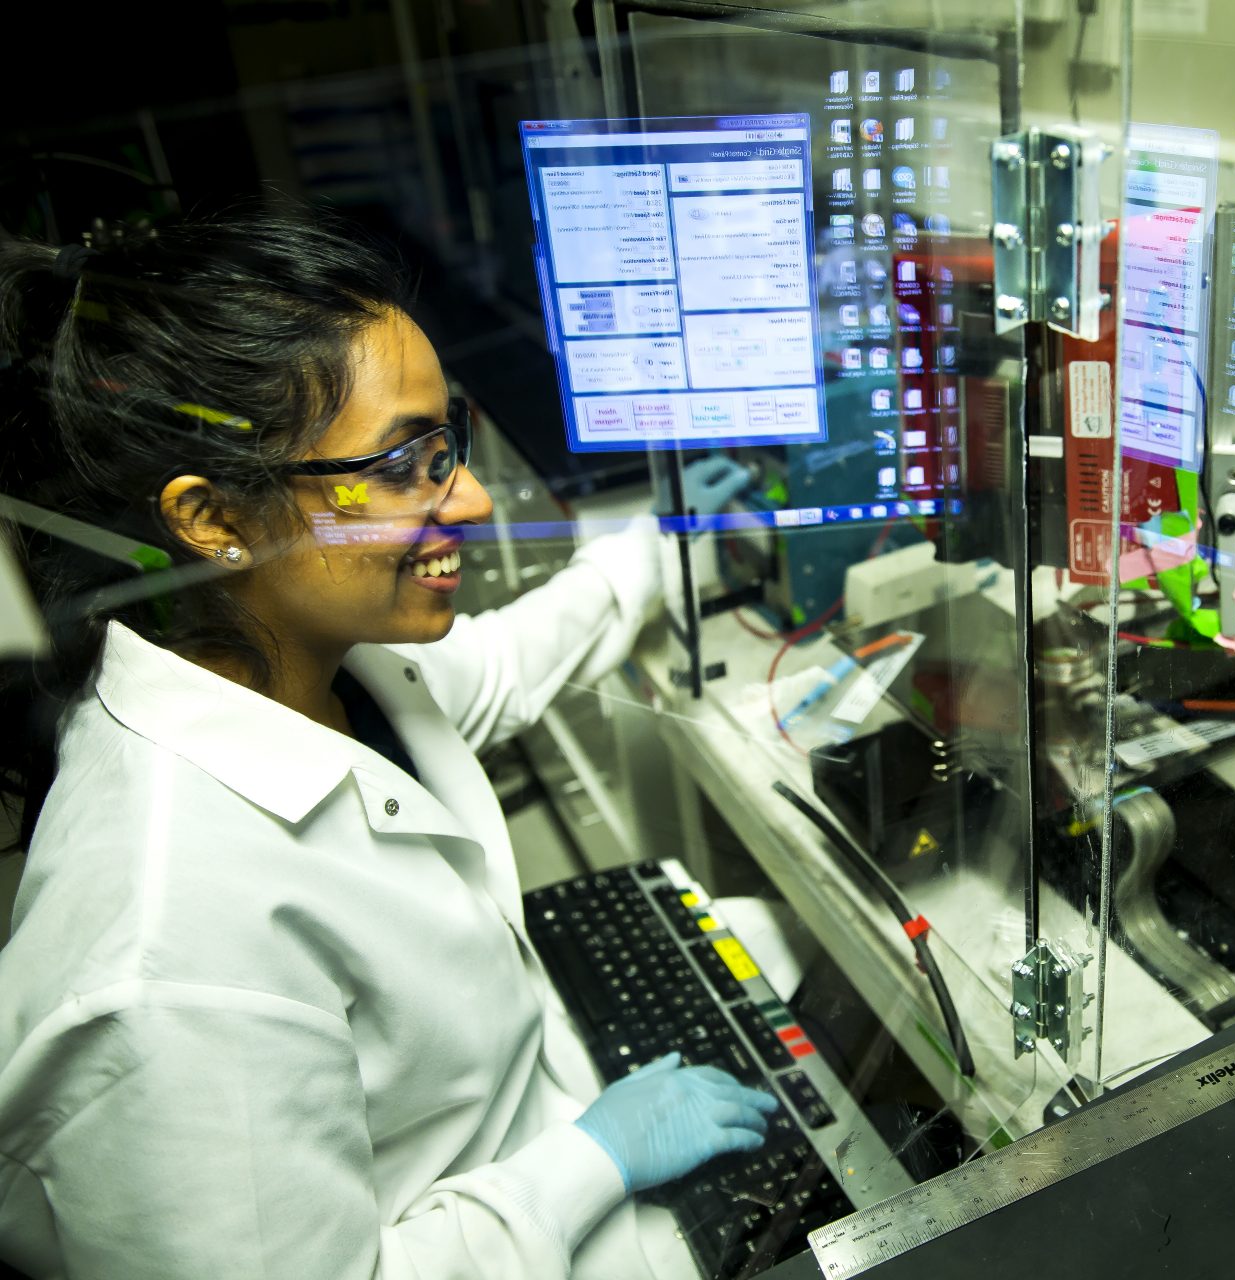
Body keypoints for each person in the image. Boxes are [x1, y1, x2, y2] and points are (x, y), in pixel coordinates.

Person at [0, 212, 764, 1279]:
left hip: (532, 1113)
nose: (477, 498)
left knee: (764, 939)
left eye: (447, 446)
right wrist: (589, 1162)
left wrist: (656, 540)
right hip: (545, 1232)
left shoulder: (303, 660)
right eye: (408, 463)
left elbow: (496, 669)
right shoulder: (161, 953)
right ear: (214, 516)